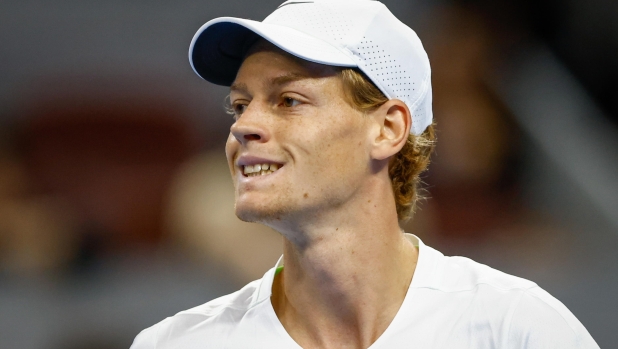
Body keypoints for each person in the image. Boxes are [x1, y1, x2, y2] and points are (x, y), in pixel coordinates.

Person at [131, 0, 599, 347]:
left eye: (288, 100)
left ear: (387, 129)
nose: (243, 127)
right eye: (239, 105)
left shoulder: (517, 328)